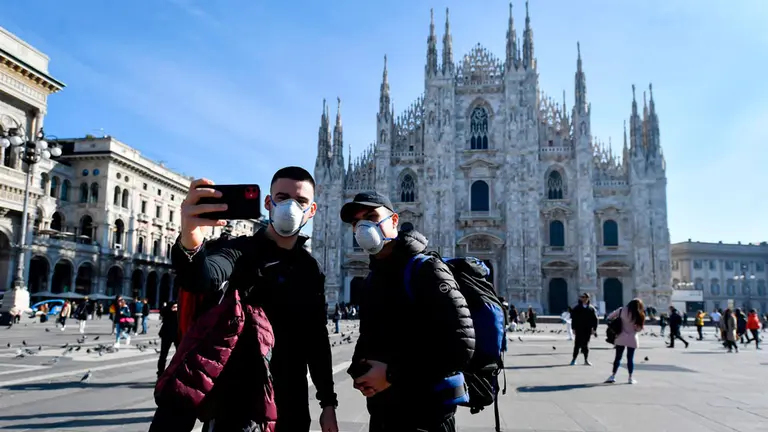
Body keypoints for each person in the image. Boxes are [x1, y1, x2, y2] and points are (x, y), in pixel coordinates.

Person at [150, 167, 339, 432]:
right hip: (239, 406)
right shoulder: (239, 251)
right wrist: (191, 238)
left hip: (292, 405)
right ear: (268, 203)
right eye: (282, 198)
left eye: (300, 202)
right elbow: (202, 277)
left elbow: (316, 341)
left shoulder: (311, 269)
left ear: (312, 210)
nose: (290, 207)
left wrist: (328, 404)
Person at [340, 191, 475, 432]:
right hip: (383, 412)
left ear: (393, 221)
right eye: (356, 223)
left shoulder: (428, 269)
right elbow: (370, 336)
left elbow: (460, 347)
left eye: (371, 217)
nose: (363, 227)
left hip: (426, 416)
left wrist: (391, 373)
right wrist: (359, 368)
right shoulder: (374, 277)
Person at [605, 298, 645, 384]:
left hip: (620, 336)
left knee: (618, 357)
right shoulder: (639, 314)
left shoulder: (621, 310)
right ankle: (630, 378)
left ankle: (613, 375)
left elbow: (609, 317)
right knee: (630, 358)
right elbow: (638, 329)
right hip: (632, 338)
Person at [570, 293, 598, 366]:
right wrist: (573, 328)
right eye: (582, 297)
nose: (583, 299)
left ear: (588, 298)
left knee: (585, 345)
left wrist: (594, 329)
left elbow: (595, 319)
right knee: (577, 345)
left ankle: (586, 360)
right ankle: (573, 359)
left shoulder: (591, 308)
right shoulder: (577, 308)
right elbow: (574, 319)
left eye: (585, 297)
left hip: (587, 329)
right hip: (579, 329)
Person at [157, 301, 179, 377]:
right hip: (166, 335)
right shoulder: (167, 312)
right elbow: (162, 312)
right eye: (174, 307)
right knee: (163, 354)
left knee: (179, 354)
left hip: (177, 335)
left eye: (177, 307)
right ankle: (160, 372)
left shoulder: (179, 314)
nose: (175, 309)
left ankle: (177, 372)